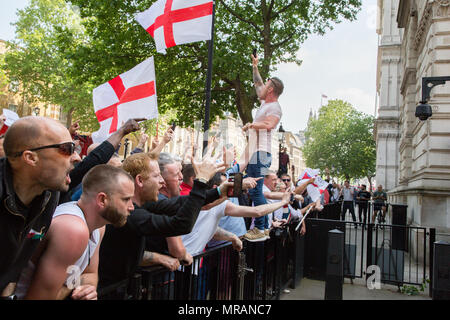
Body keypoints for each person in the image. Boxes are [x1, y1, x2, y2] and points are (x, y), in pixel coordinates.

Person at [0, 116, 142, 298]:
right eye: (67, 149)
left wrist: (121, 132)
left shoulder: (50, 192)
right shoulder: (70, 223)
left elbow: (91, 162)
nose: (76, 157)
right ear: (31, 158)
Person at [98, 148, 228, 291]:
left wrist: (219, 191)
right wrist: (201, 181)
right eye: (157, 176)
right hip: (109, 290)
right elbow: (181, 225)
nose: (162, 182)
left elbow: (179, 203)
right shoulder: (128, 213)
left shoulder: (143, 203)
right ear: (140, 180)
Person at [15, 165, 134, 300]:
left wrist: (86, 290)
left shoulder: (98, 226)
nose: (131, 207)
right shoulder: (72, 229)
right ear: (102, 200)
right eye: (126, 199)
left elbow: (90, 275)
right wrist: (72, 286)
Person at [242, 52, 284, 242]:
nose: (261, 86)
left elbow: (269, 125)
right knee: (253, 190)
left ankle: (262, 227)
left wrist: (251, 125)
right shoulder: (264, 102)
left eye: (266, 85)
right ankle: (263, 227)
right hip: (256, 152)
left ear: (271, 90)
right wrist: (255, 66)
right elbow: (258, 83)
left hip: (262, 153)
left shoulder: (275, 108)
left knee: (256, 191)